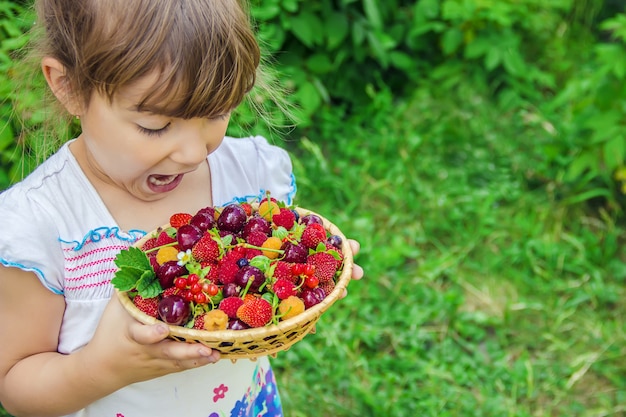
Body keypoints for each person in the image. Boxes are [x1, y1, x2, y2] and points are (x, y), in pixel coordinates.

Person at [0, 1, 363, 416]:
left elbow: (264, 283)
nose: (193, 152)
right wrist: (103, 369)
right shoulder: (45, 226)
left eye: (217, 112)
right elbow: (15, 386)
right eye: (156, 127)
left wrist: (304, 276)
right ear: (68, 87)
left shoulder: (246, 175)